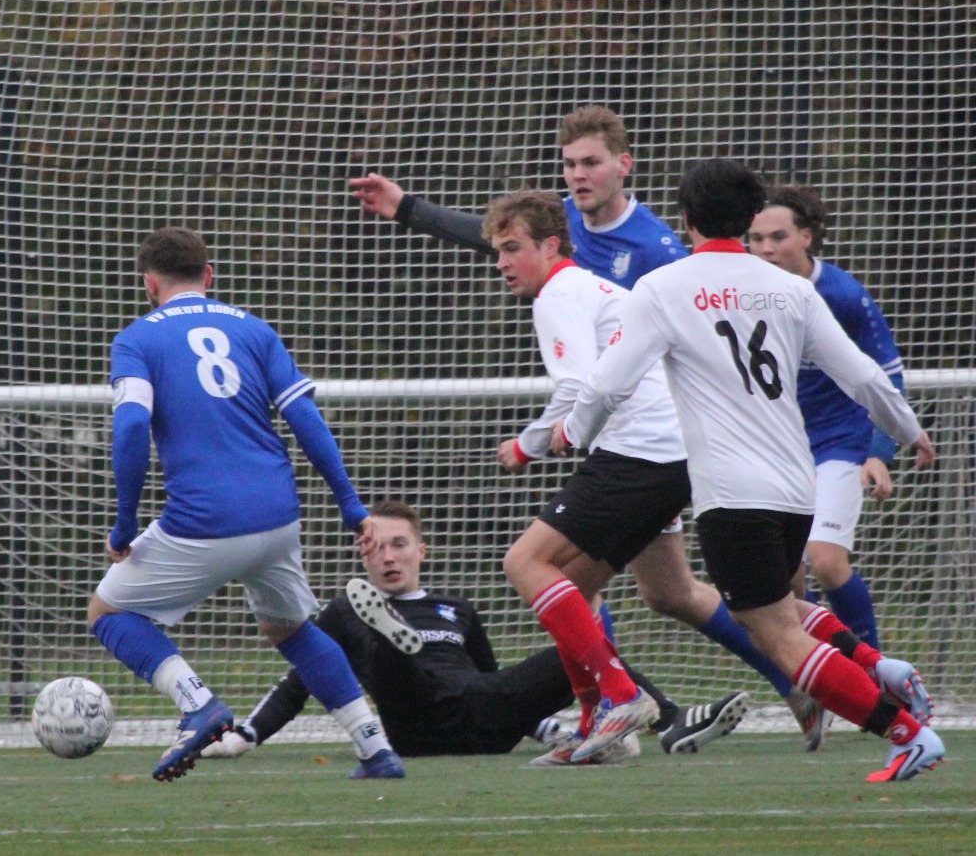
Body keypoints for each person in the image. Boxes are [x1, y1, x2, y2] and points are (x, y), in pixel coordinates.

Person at [350, 104, 817, 743]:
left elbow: (696, 341)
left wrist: (534, 442)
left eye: (591, 163)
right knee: (666, 591)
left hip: (651, 435)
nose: (577, 176)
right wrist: (410, 209)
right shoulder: (562, 230)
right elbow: (498, 236)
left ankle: (626, 706)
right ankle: (745, 690)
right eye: (568, 165)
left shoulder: (656, 251)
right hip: (630, 432)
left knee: (556, 573)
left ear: (624, 166)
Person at [552, 158, 944, 783]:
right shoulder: (790, 289)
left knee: (775, 636)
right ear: (749, 219)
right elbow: (864, 375)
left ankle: (907, 733)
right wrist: (907, 430)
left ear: (685, 220)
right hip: (796, 486)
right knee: (779, 610)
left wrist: (574, 432)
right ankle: (881, 665)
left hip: (733, 493)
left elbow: (608, 384)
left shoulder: (666, 287)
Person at [88, 226, 403, 782]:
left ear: (149, 284)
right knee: (290, 627)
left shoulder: (136, 339)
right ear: (209, 277)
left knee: (109, 613)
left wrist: (125, 522)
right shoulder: (254, 329)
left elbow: (133, 426)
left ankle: (197, 703)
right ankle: (375, 748)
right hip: (279, 516)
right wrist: (352, 507)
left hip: (204, 522)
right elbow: (304, 417)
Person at [485, 191, 751, 763]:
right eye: (497, 251)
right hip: (675, 454)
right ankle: (598, 728)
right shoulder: (595, 288)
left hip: (643, 452)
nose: (502, 262)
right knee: (575, 588)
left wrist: (524, 447)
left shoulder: (558, 294)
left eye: (512, 249)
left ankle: (622, 696)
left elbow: (578, 386)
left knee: (523, 562)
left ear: (550, 246)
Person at [201, 499, 745, 762]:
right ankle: (391, 642)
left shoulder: (457, 609)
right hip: (412, 722)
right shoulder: (347, 608)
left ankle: (672, 720)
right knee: (350, 622)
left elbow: (492, 678)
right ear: (361, 555)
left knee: (576, 650)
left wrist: (545, 728)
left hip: (480, 717)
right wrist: (244, 736)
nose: (388, 556)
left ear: (421, 550)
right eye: (375, 546)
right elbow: (298, 683)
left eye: (399, 544)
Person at [747, 185, 902, 651]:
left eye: (778, 237)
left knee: (827, 561)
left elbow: (888, 376)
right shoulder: (744, 295)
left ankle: (877, 674)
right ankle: (824, 678)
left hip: (840, 443)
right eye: (755, 239)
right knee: (785, 584)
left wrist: (880, 453)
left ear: (807, 237)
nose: (766, 249)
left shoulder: (843, 296)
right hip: (778, 449)